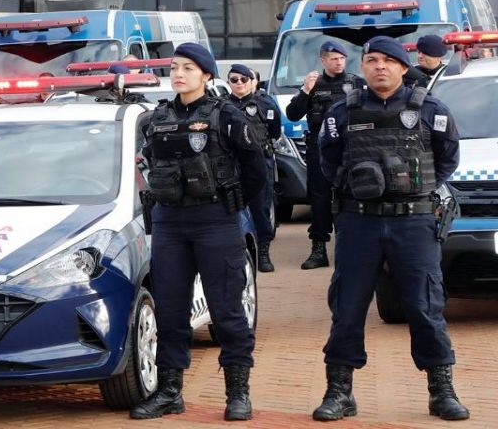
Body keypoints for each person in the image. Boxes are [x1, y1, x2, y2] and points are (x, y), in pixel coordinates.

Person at [312, 35, 468, 422]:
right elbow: (327, 162)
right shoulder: (341, 112)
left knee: (424, 306)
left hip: (413, 222)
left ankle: (441, 390)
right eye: (372, 60)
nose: (379, 66)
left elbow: (447, 159)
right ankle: (339, 392)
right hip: (358, 221)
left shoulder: (429, 108)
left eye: (388, 60)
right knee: (347, 308)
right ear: (362, 67)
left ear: (402, 66)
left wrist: (413, 190)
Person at [131, 44, 266, 422]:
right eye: (174, 67)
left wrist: (230, 202)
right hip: (170, 223)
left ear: (206, 75)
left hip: (216, 222)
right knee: (171, 311)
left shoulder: (228, 116)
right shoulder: (155, 118)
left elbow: (256, 170)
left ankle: (238, 392)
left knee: (227, 311)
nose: (178, 74)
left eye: (188, 68)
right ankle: (170, 392)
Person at [284, 41, 363, 270]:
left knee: (350, 196)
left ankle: (349, 250)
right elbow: (293, 114)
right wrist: (305, 91)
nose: (338, 63)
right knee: (319, 198)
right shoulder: (313, 84)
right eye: (333, 59)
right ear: (323, 60)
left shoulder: (356, 83)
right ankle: (318, 249)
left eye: (341, 59)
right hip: (320, 147)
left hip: (349, 148)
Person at [225, 64, 281, 273]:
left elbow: (275, 131)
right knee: (233, 209)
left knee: (260, 208)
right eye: (234, 80)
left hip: (258, 164)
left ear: (252, 81)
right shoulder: (221, 106)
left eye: (243, 79)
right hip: (232, 165)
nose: (239, 83)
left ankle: (263, 252)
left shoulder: (265, 104)